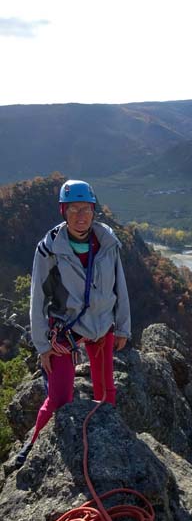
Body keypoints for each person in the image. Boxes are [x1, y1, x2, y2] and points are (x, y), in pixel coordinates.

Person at [15, 180, 131, 467]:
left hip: (102, 326)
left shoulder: (107, 243)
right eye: (74, 209)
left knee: (106, 393)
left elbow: (120, 286)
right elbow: (38, 298)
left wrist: (123, 326)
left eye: (87, 209)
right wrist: (43, 345)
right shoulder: (49, 250)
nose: (81, 215)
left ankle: (109, 443)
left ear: (94, 211)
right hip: (66, 330)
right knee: (59, 398)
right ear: (63, 211)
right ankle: (33, 445)